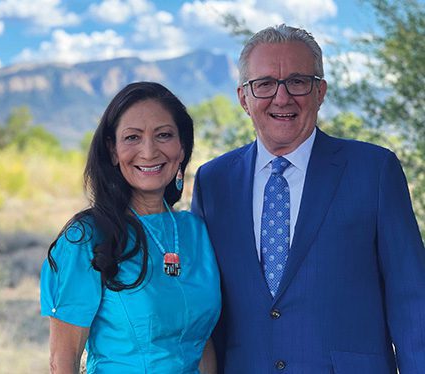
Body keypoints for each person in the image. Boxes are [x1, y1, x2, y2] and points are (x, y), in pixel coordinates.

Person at [192, 24, 425, 373]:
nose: (282, 98)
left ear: (320, 91)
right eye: (265, 84)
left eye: (298, 82)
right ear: (244, 97)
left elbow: (413, 303)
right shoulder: (213, 181)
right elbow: (203, 307)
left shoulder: (374, 170)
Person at [40, 81, 221, 373]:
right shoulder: (86, 238)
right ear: (112, 151)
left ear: (182, 148)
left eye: (163, 135)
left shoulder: (195, 231)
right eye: (132, 137)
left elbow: (203, 342)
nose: (148, 151)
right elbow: (64, 360)